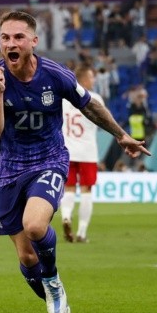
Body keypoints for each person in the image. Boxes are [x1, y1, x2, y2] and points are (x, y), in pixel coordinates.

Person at [0, 11, 150, 313]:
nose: (10, 43)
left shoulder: (55, 75)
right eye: (4, 38)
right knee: (27, 257)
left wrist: (120, 134)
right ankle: (55, 300)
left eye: (18, 37)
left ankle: (54, 283)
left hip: (49, 161)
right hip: (8, 171)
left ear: (33, 41)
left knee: (36, 225)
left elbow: (89, 105)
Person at [60, 64, 103, 243]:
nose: (93, 80)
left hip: (67, 151)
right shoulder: (94, 98)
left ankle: (66, 216)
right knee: (86, 190)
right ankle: (82, 232)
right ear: (84, 79)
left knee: (68, 188)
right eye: (91, 77)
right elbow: (102, 120)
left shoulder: (64, 99)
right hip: (87, 152)